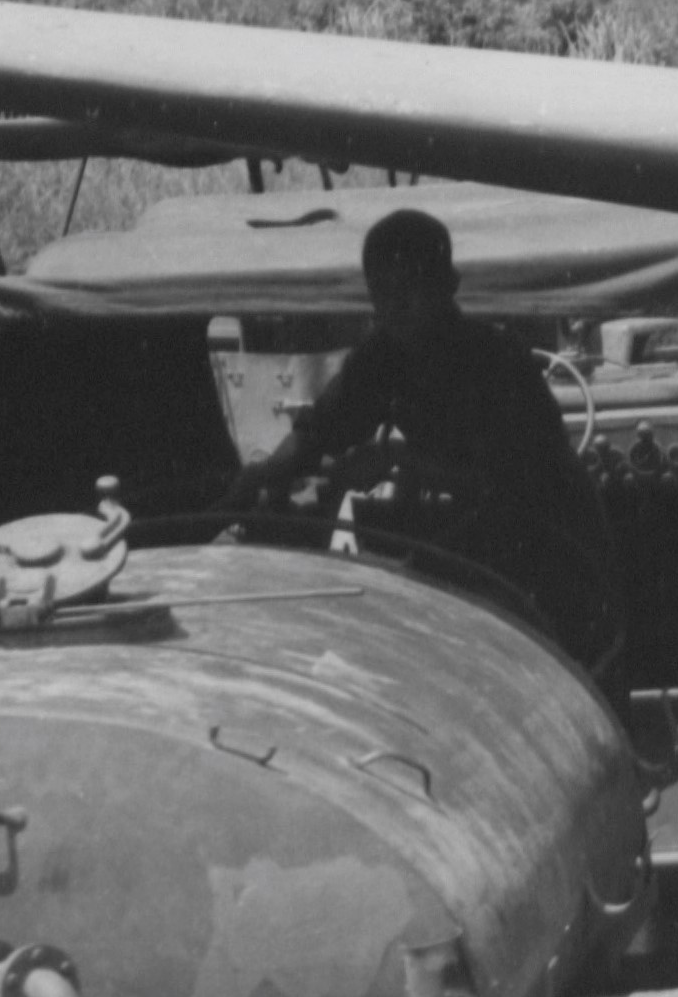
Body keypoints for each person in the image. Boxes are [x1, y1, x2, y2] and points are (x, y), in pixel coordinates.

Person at [230, 209, 622, 673]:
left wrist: (396, 459)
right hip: (478, 533)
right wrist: (264, 474)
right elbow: (319, 431)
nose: (395, 307)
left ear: (448, 284)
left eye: (409, 289)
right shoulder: (381, 357)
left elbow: (515, 478)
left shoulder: (497, 361)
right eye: (381, 293)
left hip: (551, 539)